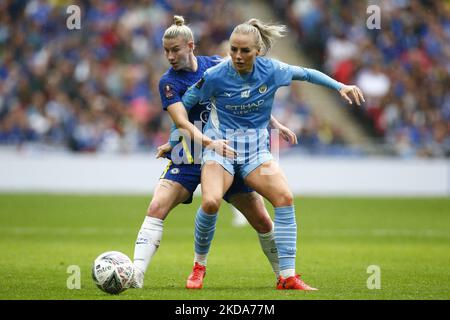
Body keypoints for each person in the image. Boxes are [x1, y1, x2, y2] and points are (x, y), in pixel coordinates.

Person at [182, 18, 365, 290]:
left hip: (255, 152)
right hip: (221, 149)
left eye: (244, 50)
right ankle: (199, 267)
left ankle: (287, 276)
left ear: (258, 51)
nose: (237, 56)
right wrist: (179, 139)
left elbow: (307, 73)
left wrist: (340, 86)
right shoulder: (216, 75)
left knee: (284, 197)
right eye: (233, 49)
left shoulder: (272, 70)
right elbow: (184, 106)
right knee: (210, 202)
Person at [131, 16, 298, 289]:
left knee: (262, 220)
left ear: (190, 46)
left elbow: (248, 97)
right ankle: (135, 273)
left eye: (175, 50)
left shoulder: (216, 65)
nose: (170, 56)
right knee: (156, 206)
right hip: (191, 153)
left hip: (225, 154)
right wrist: (178, 144)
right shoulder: (168, 83)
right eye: (166, 51)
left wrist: (274, 122)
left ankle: (284, 275)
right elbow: (182, 121)